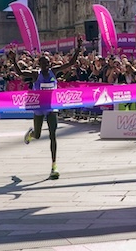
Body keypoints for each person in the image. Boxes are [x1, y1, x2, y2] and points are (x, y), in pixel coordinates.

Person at [11, 39, 83, 180]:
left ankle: (54, 166)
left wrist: (78, 48)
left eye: (47, 63)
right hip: (38, 108)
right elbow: (20, 72)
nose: (46, 66)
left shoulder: (53, 71)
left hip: (51, 107)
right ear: (40, 64)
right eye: (43, 64)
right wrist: (14, 61)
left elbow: (70, 63)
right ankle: (31, 134)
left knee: (53, 135)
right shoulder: (35, 74)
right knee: (38, 135)